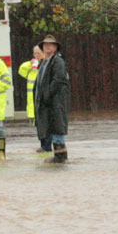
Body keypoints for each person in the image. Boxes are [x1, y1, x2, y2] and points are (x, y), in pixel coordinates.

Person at [34, 34, 71, 163]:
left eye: (50, 45)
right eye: (45, 45)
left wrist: (47, 95)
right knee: (51, 127)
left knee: (57, 128)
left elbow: (58, 80)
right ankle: (57, 156)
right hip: (47, 103)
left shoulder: (58, 61)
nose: (47, 47)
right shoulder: (43, 62)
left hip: (57, 102)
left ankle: (61, 157)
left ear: (55, 48)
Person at [18, 45, 52, 153]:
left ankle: (47, 146)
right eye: (35, 53)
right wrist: (30, 63)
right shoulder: (32, 68)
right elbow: (21, 70)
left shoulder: (46, 64)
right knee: (38, 125)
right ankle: (43, 145)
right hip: (33, 101)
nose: (37, 56)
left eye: (39, 53)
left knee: (45, 125)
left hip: (43, 101)